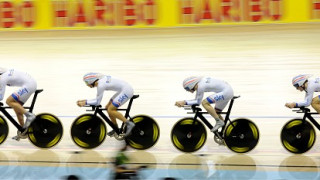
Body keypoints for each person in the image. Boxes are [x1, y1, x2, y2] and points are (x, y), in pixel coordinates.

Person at [76, 73, 135, 137]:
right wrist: (85, 101)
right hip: (123, 90)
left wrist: (85, 102)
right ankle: (115, 128)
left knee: (111, 109)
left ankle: (129, 124)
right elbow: (96, 100)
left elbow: (97, 102)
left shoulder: (101, 85)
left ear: (91, 81)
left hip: (127, 91)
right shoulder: (100, 81)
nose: (87, 85)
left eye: (87, 83)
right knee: (107, 107)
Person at [0, 68, 37, 141]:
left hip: (29, 85)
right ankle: (23, 131)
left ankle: (29, 115)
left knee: (9, 101)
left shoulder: (3, 78)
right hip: (30, 84)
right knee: (17, 109)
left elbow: (1, 96)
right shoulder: (4, 74)